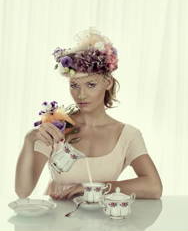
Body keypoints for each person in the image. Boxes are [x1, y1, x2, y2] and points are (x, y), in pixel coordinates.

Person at [15, 27, 163, 200]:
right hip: (56, 224)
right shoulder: (57, 126)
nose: (81, 94)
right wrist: (29, 139)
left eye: (91, 85)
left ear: (107, 82)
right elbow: (22, 191)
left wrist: (96, 188)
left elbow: (154, 188)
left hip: (105, 225)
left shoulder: (128, 135)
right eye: (74, 85)